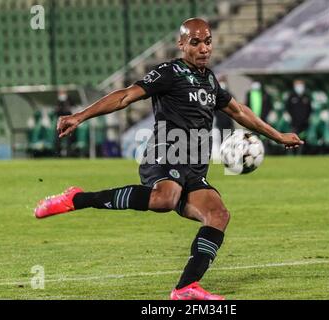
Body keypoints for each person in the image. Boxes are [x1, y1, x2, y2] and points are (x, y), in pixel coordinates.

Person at [34, 18, 303, 300]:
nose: (203, 48)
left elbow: (238, 111)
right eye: (195, 42)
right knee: (165, 198)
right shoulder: (169, 72)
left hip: (194, 166)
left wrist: (278, 136)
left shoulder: (209, 79)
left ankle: (185, 287)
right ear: (182, 44)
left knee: (218, 214)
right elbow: (125, 96)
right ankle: (77, 199)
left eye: (208, 42)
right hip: (165, 154)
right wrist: (80, 115)